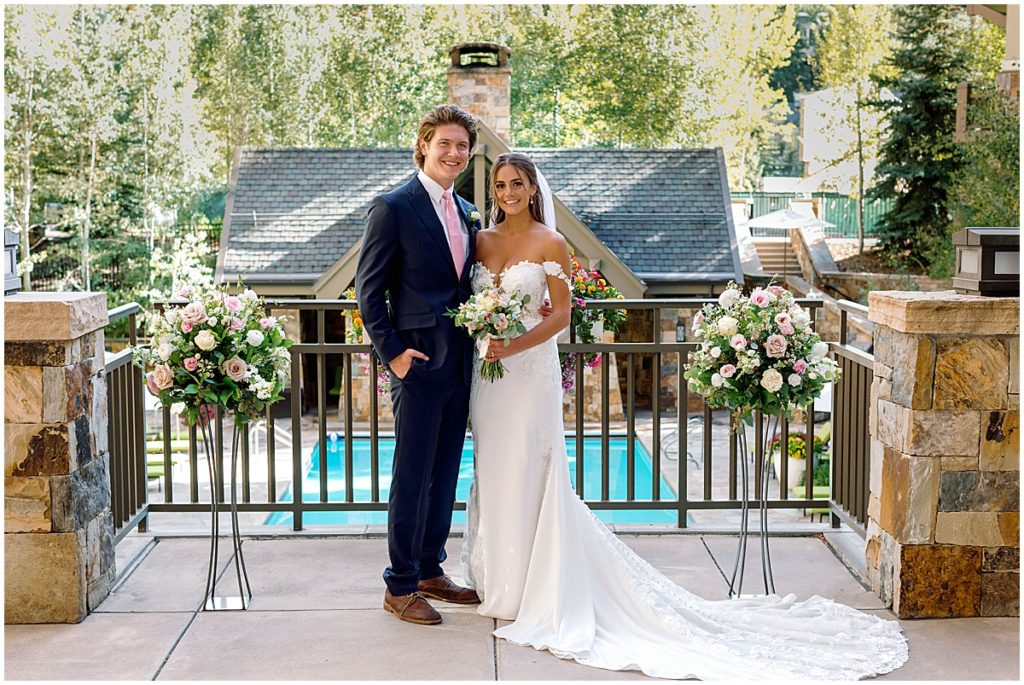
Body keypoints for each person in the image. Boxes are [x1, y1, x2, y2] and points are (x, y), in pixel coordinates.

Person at [460, 152, 909, 680]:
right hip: (488, 382)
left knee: (532, 471)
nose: (508, 192)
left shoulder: (550, 242)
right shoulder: (481, 242)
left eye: (517, 183)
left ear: (533, 190)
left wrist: (509, 347)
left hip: (526, 375)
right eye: (500, 184)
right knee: (493, 471)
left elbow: (559, 316)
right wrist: (486, 334)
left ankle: (535, 587)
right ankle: (500, 580)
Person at [355, 104, 483, 625]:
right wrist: (394, 356)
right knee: (411, 475)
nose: (454, 153)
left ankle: (431, 568)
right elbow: (368, 291)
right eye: (445, 144)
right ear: (424, 145)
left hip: (461, 364)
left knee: (446, 471)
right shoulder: (393, 207)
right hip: (419, 363)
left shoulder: (468, 211)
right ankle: (400, 583)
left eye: (462, 146)